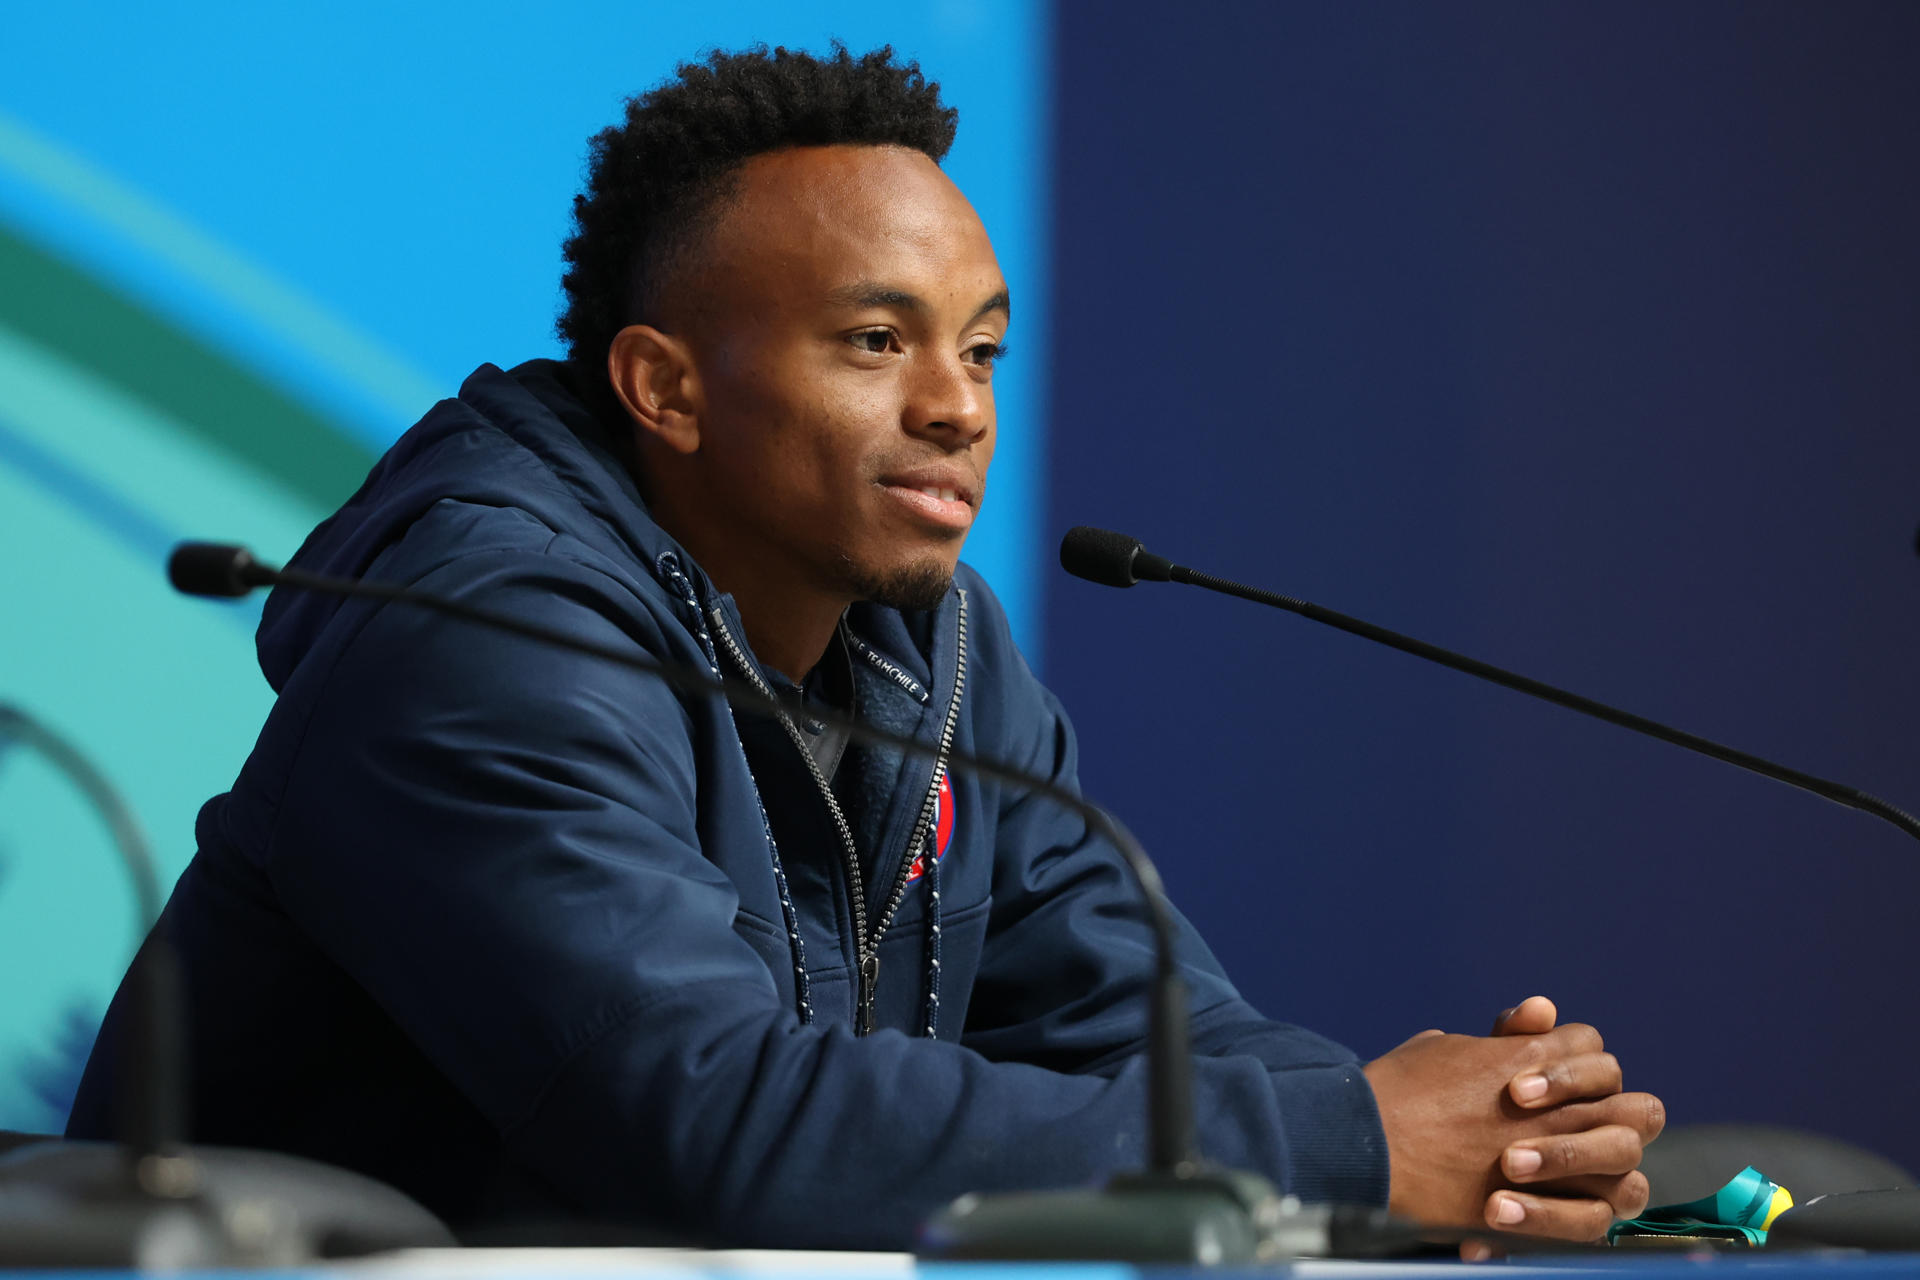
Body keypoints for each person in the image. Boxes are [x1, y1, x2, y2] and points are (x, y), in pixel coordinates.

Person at [69, 45, 1662, 1250]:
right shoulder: (480, 640)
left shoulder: (938, 644)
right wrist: (1346, 1142)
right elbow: (716, 1121)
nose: (958, 406)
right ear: (665, 389)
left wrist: (1488, 1137)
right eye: (877, 341)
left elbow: (1149, 1026)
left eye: (980, 349)